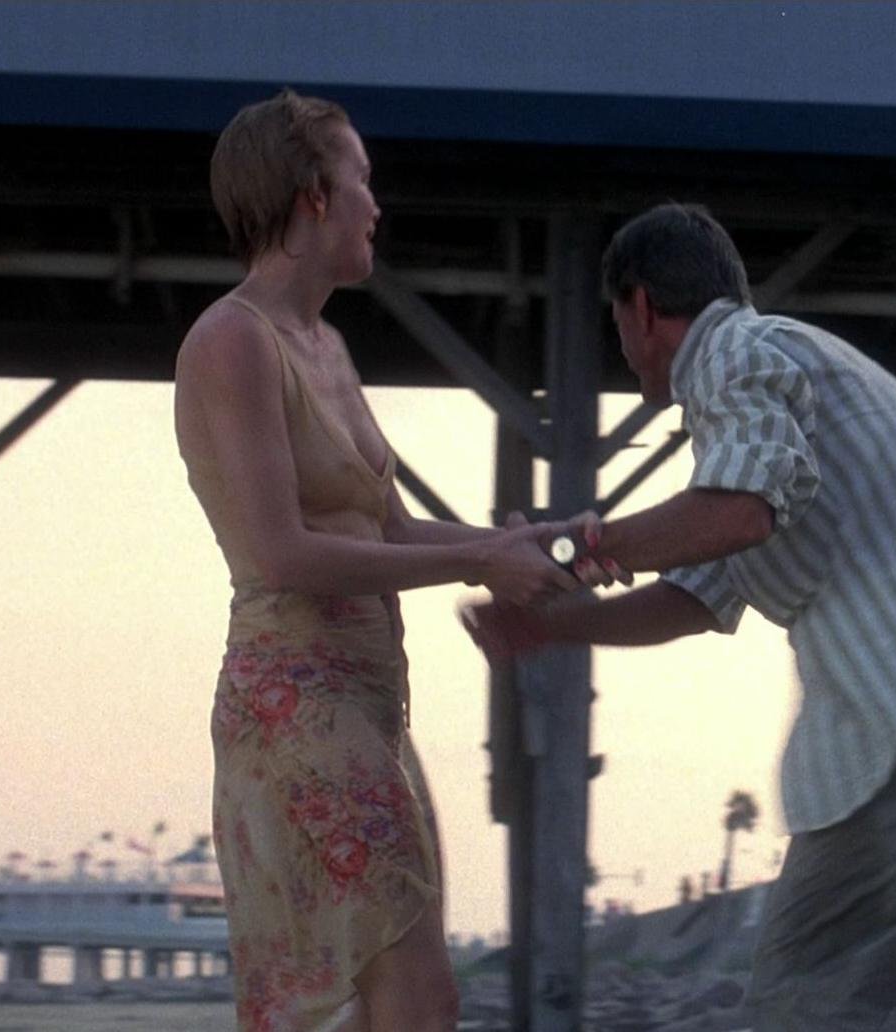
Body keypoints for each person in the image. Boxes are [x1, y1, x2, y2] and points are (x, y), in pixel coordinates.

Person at [464, 203, 896, 1030]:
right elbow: (696, 594)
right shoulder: (790, 373)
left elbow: (737, 514)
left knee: (804, 995)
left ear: (642, 307)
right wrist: (552, 624)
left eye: (617, 321)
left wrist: (570, 550)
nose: (621, 345)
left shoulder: (731, 355)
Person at [175, 89, 611, 1032]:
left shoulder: (326, 345)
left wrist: (523, 543)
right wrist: (480, 562)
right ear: (313, 195)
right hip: (293, 701)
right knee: (417, 992)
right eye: (362, 179)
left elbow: (390, 529)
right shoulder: (232, 341)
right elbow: (281, 554)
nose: (376, 204)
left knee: (397, 996)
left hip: (372, 702)